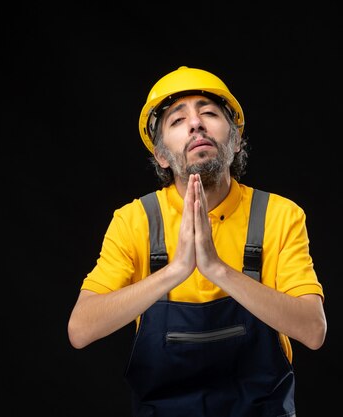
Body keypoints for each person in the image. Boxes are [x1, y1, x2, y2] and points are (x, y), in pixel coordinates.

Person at [68, 66, 327, 417]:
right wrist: (175, 271)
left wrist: (217, 269)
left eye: (208, 113)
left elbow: (313, 330)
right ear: (161, 156)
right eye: (177, 121)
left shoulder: (278, 215)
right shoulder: (135, 220)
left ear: (235, 141)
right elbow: (80, 329)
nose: (196, 124)